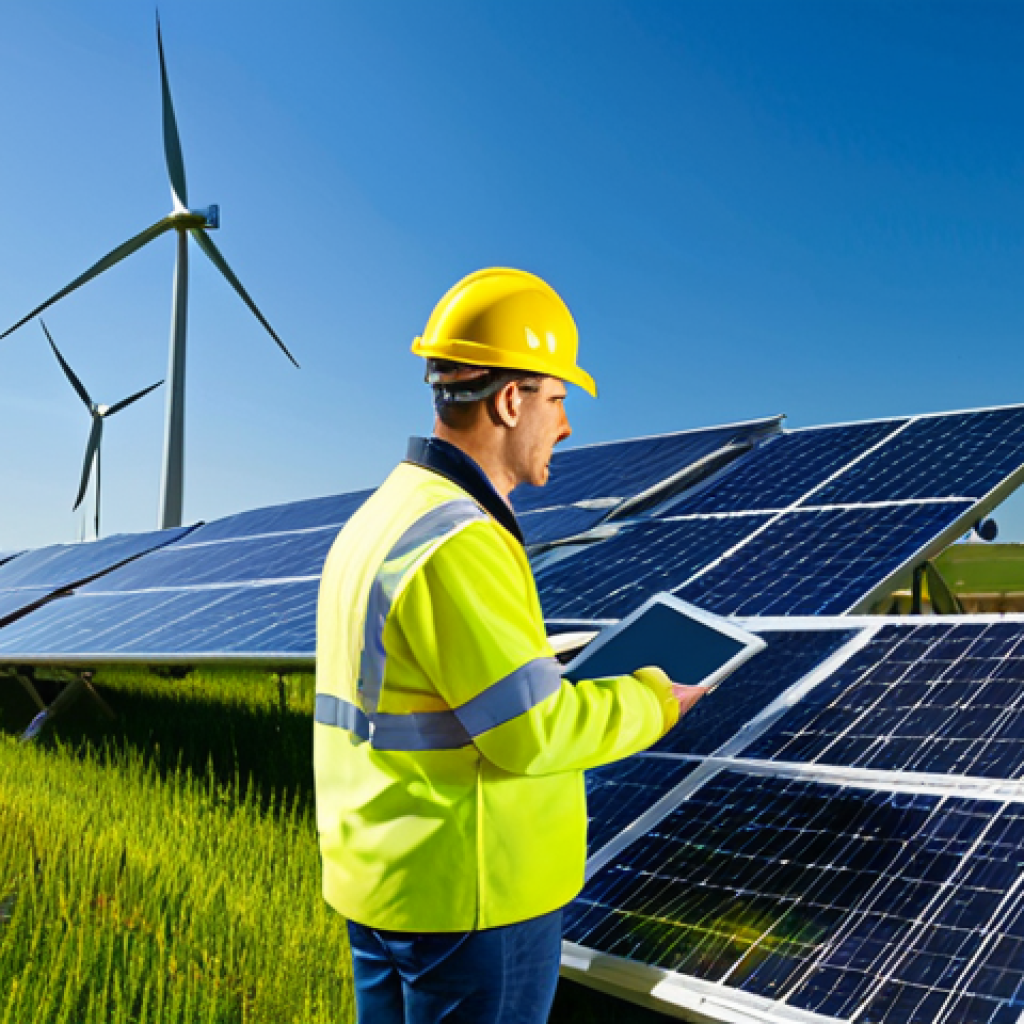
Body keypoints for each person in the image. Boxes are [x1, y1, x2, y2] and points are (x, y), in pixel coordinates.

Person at [314, 267, 707, 1024]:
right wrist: (656, 697)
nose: (565, 425)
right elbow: (531, 733)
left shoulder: (378, 520)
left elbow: (408, 693)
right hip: (475, 896)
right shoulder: (460, 538)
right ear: (508, 400)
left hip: (384, 883)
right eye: (557, 399)